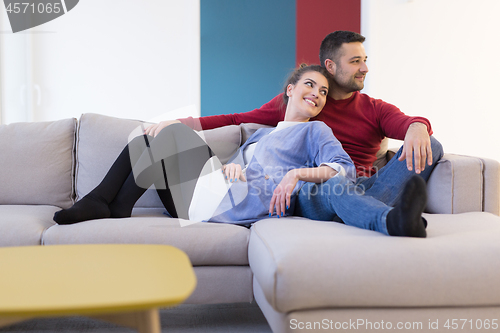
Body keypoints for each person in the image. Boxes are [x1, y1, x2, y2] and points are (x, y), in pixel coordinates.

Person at [144, 30, 443, 237]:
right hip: (318, 190)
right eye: (355, 61)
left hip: (363, 182)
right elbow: (236, 119)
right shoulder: (299, 108)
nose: (364, 68)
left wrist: (417, 126)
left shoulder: (374, 108)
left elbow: (406, 123)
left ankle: (378, 210)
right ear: (330, 65)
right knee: (333, 188)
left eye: (365, 61)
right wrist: (182, 124)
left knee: (433, 145)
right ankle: (390, 215)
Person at [53, 65, 358, 227]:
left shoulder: (316, 130)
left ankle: (100, 200)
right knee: (148, 138)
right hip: (204, 196)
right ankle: (117, 206)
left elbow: (345, 170)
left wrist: (296, 175)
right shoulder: (262, 135)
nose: (317, 94)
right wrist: (232, 165)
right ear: (290, 89)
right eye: (310, 85)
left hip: (230, 205)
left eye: (323, 91)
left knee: (170, 135)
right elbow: (234, 162)